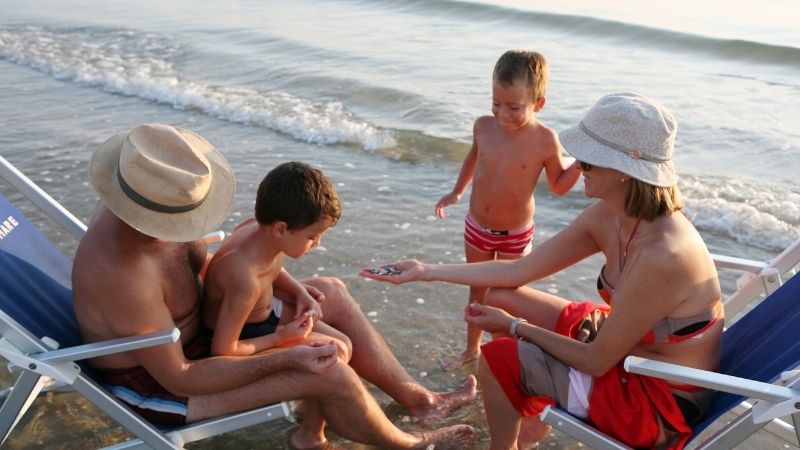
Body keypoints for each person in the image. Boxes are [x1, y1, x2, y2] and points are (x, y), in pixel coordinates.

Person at [72, 124, 477, 450]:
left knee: (329, 291)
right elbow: (181, 377)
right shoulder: (124, 275)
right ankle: (408, 445)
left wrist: (283, 293)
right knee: (328, 368)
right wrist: (285, 356)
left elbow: (215, 276)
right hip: (161, 386)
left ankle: (419, 400)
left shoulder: (157, 191)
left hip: (207, 337)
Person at [363, 93, 723, 449]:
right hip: (626, 351)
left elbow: (596, 362)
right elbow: (519, 269)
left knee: (498, 357)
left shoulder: (664, 253)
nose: (578, 164)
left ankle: (506, 440)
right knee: (500, 295)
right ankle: (528, 410)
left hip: (653, 400)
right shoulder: (609, 215)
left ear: (626, 171)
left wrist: (514, 328)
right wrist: (426, 271)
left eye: (591, 159)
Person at [434, 50, 581, 371]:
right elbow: (474, 157)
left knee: (506, 296)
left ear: (538, 103)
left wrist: (583, 159)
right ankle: (472, 349)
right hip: (477, 227)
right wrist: (457, 191)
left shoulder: (545, 139)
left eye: (514, 107)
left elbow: (558, 185)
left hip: (515, 234)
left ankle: (501, 351)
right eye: (495, 103)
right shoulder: (483, 127)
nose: (502, 113)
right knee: (477, 290)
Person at [203, 161, 351, 360]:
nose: (317, 242)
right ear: (281, 229)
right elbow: (223, 349)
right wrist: (280, 337)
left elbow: (269, 267)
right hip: (246, 333)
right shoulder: (245, 279)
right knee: (338, 351)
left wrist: (299, 291)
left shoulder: (258, 228)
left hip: (267, 311)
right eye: (311, 236)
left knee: (345, 343)